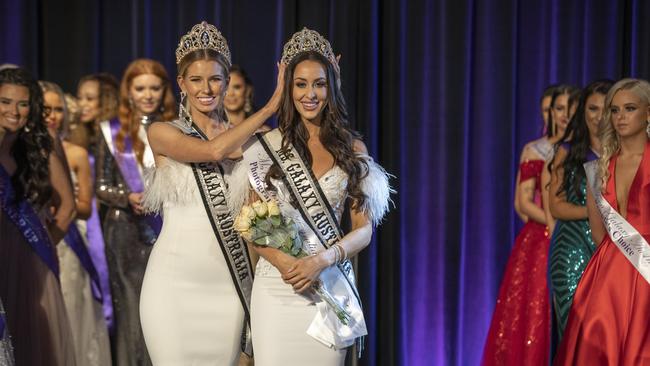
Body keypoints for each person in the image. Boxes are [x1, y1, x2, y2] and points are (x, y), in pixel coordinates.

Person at [240, 28, 392, 366]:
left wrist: (320, 261)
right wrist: (286, 264)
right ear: (288, 88)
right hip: (278, 287)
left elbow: (363, 230)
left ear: (331, 88)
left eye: (319, 84)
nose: (310, 94)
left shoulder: (353, 149)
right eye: (301, 84)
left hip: (328, 285)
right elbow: (250, 227)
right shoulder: (267, 146)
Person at [140, 21, 284, 365]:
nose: (207, 88)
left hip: (229, 286)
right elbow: (214, 152)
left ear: (227, 81)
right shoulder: (162, 132)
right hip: (172, 285)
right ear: (181, 84)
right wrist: (269, 107)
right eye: (196, 79)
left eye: (216, 79)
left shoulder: (251, 139)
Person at [555, 78, 650, 364]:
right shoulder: (598, 170)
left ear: (648, 113)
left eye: (629, 108)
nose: (620, 117)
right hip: (609, 276)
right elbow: (599, 233)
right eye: (615, 110)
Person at [482, 84, 578, 366]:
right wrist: (555, 221)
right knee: (534, 313)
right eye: (558, 108)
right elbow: (522, 203)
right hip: (541, 238)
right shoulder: (536, 149)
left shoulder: (583, 150)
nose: (563, 114)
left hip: (575, 236)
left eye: (569, 108)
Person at [95, 58, 175, 365]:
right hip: (125, 231)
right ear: (128, 90)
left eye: (155, 88)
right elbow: (101, 185)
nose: (148, 95)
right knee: (131, 309)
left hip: (168, 227)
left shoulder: (175, 129)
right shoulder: (111, 131)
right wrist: (126, 195)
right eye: (140, 88)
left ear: (164, 90)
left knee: (164, 308)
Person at [0, 67, 76, 365]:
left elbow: (68, 207)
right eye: (5, 102)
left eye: (22, 104)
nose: (14, 111)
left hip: (29, 263)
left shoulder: (40, 145)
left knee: (30, 343)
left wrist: (36, 248)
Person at [41, 80, 112, 366]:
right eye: (46, 109)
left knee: (71, 311)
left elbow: (85, 207)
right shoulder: (19, 151)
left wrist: (57, 207)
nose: (53, 115)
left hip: (68, 242)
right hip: (32, 239)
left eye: (59, 109)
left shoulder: (76, 153)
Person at [547, 80, 611, 345]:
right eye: (593, 109)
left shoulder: (622, 154)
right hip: (570, 250)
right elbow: (556, 205)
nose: (598, 116)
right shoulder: (568, 151)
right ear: (583, 111)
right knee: (575, 336)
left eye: (606, 109)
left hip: (608, 253)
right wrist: (595, 211)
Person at [72, 73, 120, 330]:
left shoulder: (117, 138)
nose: (82, 104)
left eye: (90, 98)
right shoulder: (75, 137)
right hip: (84, 221)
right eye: (80, 98)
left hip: (107, 221)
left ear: (108, 102)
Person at [514, 85, 556, 222]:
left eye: (557, 109)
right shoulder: (533, 149)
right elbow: (521, 203)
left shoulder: (581, 149)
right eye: (545, 110)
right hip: (543, 230)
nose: (551, 115)